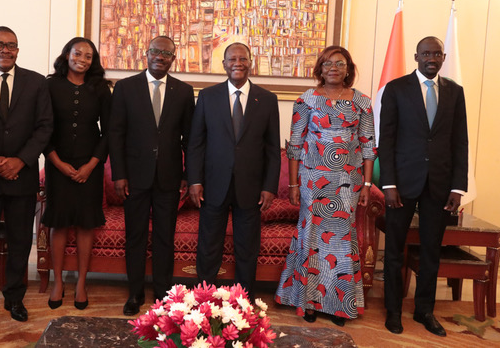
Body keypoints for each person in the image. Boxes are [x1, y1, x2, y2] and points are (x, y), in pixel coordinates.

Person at [274, 46, 376, 327]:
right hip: (313, 181)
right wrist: (293, 184)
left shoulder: (363, 102)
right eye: (328, 63)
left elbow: (368, 145)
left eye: (340, 63)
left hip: (348, 183)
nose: (333, 68)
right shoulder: (307, 99)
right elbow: (295, 145)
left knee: (341, 241)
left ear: (348, 69)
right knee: (312, 239)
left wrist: (367, 184)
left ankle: (339, 305)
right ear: (319, 68)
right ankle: (309, 302)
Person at [380, 36, 468, 337]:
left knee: (431, 250)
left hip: (440, 184)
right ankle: (393, 310)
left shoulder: (455, 92)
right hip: (401, 184)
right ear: (416, 57)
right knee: (394, 250)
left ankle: (424, 310)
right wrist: (388, 183)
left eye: (437, 53)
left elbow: (460, 142)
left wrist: (458, 187)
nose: (432, 58)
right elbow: (386, 139)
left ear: (443, 57)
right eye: (426, 53)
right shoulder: (396, 89)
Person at [0, 26, 53, 325]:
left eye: (11, 45)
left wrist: (21, 160)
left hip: (21, 176)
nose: (5, 50)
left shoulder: (36, 82)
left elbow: (44, 126)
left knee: (20, 241)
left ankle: (15, 297)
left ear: (18, 49)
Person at [109, 36, 195, 316]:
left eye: (166, 53)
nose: (160, 57)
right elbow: (116, 134)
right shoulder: (125, 88)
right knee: (135, 236)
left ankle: (163, 294)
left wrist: (187, 174)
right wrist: (119, 174)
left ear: (173, 58)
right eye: (155, 51)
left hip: (169, 177)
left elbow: (189, 139)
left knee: (164, 237)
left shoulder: (184, 91)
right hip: (133, 177)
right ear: (146, 54)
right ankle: (134, 294)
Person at [187, 42, 280, 300]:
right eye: (232, 59)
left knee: (247, 248)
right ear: (224, 64)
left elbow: (272, 149)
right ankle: (203, 299)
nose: (237, 63)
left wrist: (269, 186)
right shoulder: (207, 96)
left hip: (251, 187)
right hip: (213, 185)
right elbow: (196, 143)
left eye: (243, 58)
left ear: (251, 63)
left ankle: (243, 301)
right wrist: (194, 180)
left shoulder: (267, 99)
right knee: (208, 246)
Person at [42, 37, 112, 310]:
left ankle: (81, 282)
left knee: (85, 224)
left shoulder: (100, 89)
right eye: (77, 53)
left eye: (88, 56)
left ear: (93, 61)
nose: (82, 59)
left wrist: (91, 165)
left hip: (89, 166)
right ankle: (58, 282)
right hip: (57, 163)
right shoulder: (50, 85)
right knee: (58, 223)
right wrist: (57, 163)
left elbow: (109, 131)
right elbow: (42, 127)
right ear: (67, 54)